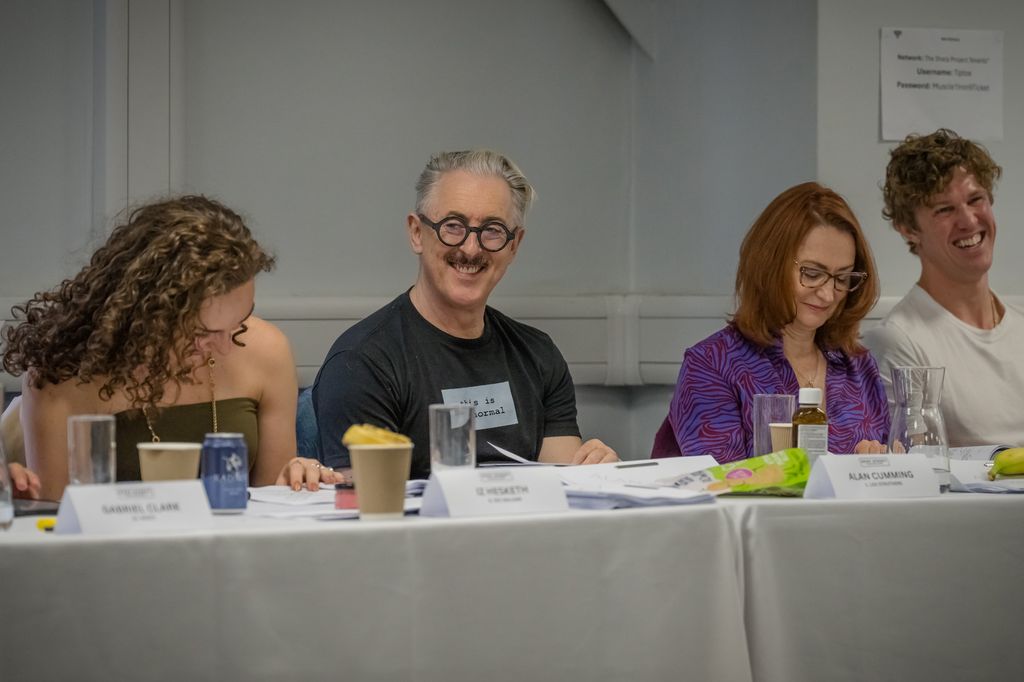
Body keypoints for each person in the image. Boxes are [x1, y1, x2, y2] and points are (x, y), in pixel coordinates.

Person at [2, 195, 342, 501]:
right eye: (201, 332)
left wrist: (295, 475)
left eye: (240, 322)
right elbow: (58, 525)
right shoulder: (68, 375)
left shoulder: (267, 350)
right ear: (145, 311)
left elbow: (270, 502)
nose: (224, 347)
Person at [313, 149, 618, 478]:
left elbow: (564, 488)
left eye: (493, 230)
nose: (471, 249)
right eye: (453, 226)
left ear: (514, 245)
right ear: (417, 232)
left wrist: (594, 473)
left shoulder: (538, 355)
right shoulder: (362, 361)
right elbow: (369, 512)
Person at [652, 182, 890, 462]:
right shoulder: (713, 364)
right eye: (813, 274)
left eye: (842, 278)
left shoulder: (858, 366)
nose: (828, 294)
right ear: (770, 265)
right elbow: (722, 484)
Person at [864, 129, 1024, 447]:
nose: (968, 220)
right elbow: (918, 472)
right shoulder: (899, 340)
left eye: (975, 199)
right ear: (908, 229)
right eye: (944, 210)